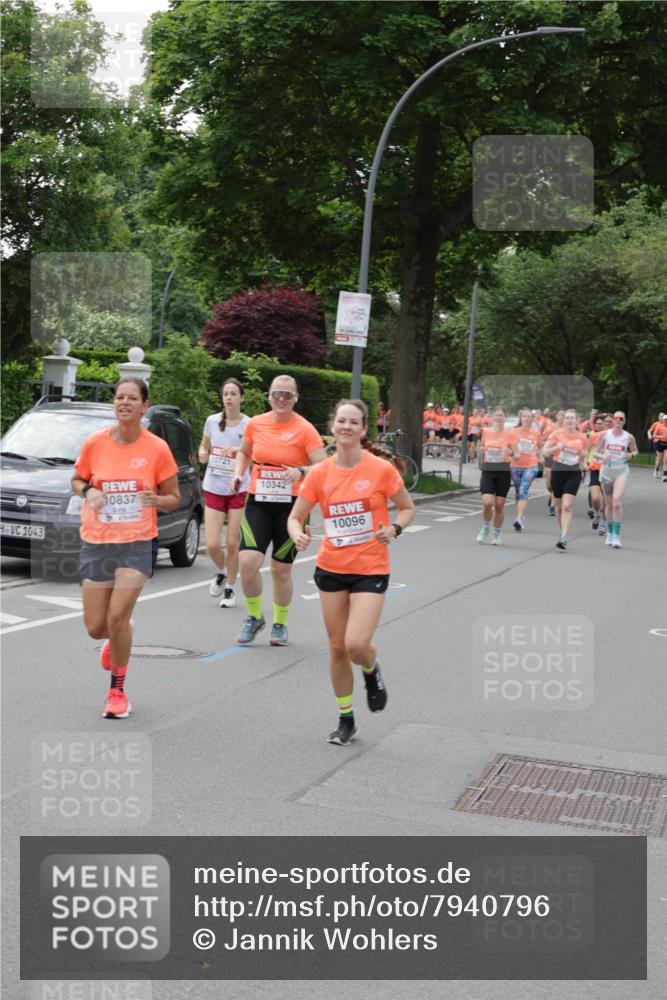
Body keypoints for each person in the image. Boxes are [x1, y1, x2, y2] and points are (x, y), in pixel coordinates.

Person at [287, 399, 415, 746]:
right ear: (333, 426)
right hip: (331, 567)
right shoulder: (319, 474)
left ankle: (371, 668)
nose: (346, 427)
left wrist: (395, 530)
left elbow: (406, 508)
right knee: (336, 648)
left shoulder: (380, 470)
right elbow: (296, 515)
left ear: (362, 429)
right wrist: (297, 532)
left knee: (356, 645)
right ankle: (346, 718)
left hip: (371, 567)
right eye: (341, 421)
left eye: (353, 422)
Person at [71, 379, 180, 718]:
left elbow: (174, 498)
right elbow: (77, 479)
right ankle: (120, 634)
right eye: (120, 397)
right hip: (97, 541)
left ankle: (117, 692)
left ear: (145, 405)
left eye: (133, 398)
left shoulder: (157, 448)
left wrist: (156, 499)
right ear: (114, 404)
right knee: (95, 626)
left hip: (136, 542)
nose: (125, 402)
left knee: (117, 615)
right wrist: (89, 492)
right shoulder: (95, 443)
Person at [231, 374, 327, 645]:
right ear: (268, 396)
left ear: (296, 399)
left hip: (293, 506)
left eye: (287, 395)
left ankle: (280, 623)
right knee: (247, 563)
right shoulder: (256, 424)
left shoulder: (305, 429)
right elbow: (244, 452)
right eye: (276, 394)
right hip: (258, 502)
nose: (281, 399)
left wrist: (299, 471)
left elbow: (323, 465)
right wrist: (238, 474)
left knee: (280, 569)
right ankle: (253, 617)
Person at [198, 378, 250, 608]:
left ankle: (229, 588)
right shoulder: (212, 421)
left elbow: (255, 453)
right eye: (225, 394)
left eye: (233, 394)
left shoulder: (249, 424)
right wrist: (202, 453)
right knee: (211, 545)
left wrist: (237, 449)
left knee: (231, 543)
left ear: (241, 398)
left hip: (238, 486)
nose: (228, 397)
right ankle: (221, 571)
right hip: (214, 486)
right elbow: (204, 445)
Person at [542, 409, 588, 550]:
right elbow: (544, 452)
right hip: (558, 471)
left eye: (572, 418)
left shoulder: (582, 437)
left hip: (573, 472)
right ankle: (562, 531)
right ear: (564, 420)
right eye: (567, 418)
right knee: (558, 506)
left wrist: (585, 463)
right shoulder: (556, 434)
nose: (569, 420)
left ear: (576, 420)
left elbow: (585, 452)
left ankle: (563, 536)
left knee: (567, 505)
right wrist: (557, 447)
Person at [594, 411, 639, 548]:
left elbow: (636, 452)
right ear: (612, 420)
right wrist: (603, 457)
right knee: (608, 505)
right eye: (616, 418)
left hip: (621, 471)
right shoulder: (604, 435)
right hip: (607, 471)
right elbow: (596, 453)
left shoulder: (629, 437)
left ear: (624, 422)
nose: (618, 420)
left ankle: (617, 536)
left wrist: (630, 455)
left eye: (621, 419)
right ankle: (610, 533)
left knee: (617, 503)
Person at [476, 406, 516, 546]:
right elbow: (481, 447)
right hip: (488, 470)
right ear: (492, 417)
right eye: (496, 415)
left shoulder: (510, 434)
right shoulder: (486, 431)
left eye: (501, 415)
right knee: (487, 503)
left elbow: (516, 454)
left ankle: (496, 534)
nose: (498, 418)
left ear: (505, 417)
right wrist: (481, 450)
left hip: (504, 471)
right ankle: (486, 526)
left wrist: (509, 452)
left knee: (499, 505)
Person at [510, 407, 543, 531]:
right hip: (515, 465)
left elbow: (539, 447)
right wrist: (513, 453)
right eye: (524, 416)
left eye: (529, 416)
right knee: (518, 492)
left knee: (523, 489)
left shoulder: (536, 433)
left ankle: (518, 519)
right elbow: (509, 447)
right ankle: (521, 515)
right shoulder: (514, 432)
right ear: (521, 418)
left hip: (531, 465)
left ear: (532, 419)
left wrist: (540, 456)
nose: (526, 418)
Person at [585, 415, 606, 531]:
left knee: (607, 498)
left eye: (600, 423)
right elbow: (586, 450)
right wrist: (585, 463)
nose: (598, 425)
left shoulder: (610, 436)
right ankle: (596, 512)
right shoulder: (592, 435)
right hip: (594, 467)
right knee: (595, 497)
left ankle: (604, 523)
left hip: (608, 470)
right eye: (596, 423)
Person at [542, 409, 564, 516]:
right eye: (560, 414)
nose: (562, 416)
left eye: (564, 415)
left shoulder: (567, 430)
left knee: (557, 482)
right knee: (549, 484)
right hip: (550, 457)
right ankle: (552, 495)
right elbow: (542, 441)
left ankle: (553, 504)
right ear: (556, 416)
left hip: (562, 459)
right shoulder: (550, 428)